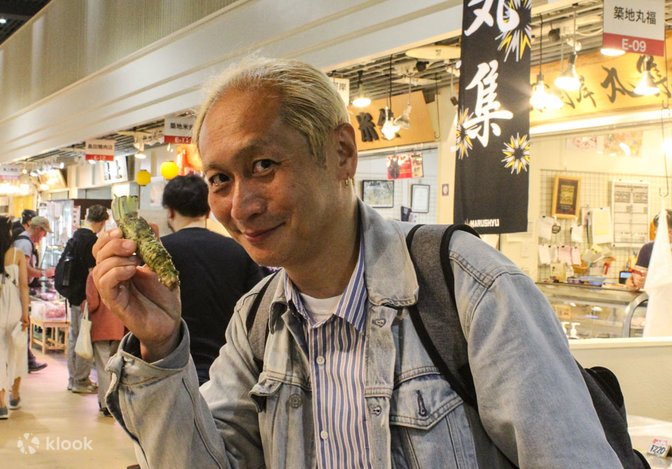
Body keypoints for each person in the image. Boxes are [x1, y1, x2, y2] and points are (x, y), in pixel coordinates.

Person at [92, 57, 620, 467]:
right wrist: (161, 346)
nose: (241, 205)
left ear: (342, 152)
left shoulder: (466, 287)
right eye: (220, 179)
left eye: (264, 165)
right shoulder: (258, 321)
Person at [160, 174, 265, 385]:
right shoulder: (240, 251)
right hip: (231, 372)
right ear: (208, 210)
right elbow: (259, 312)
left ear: (170, 211)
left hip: (171, 369)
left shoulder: (160, 252)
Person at [65, 205, 109, 394]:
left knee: (75, 337)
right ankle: (80, 380)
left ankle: (73, 378)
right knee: (83, 336)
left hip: (73, 295)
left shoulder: (76, 236)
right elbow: (93, 275)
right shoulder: (90, 240)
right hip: (84, 296)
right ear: (102, 222)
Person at [13, 215, 53, 373]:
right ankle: (26, 361)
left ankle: (26, 360)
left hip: (18, 288)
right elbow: (24, 269)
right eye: (44, 232)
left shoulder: (23, 241)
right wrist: (43, 273)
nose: (44, 236)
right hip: (18, 289)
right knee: (23, 323)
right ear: (38, 229)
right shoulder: (25, 243)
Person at [0, 216, 30, 419]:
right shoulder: (17, 254)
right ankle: (14, 395)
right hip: (13, 306)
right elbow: (24, 286)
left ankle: (0, 403)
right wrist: (26, 313)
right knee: (17, 349)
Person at [84, 272, 125, 417]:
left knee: (103, 367)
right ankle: (116, 401)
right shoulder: (119, 273)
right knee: (115, 367)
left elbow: (93, 304)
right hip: (118, 326)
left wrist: (84, 305)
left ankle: (106, 404)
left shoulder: (94, 275)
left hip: (101, 326)